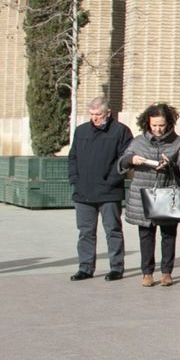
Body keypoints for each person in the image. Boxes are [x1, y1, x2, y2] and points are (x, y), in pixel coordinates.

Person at [119, 103, 180, 288]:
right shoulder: (138, 141)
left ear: (168, 123)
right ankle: (147, 272)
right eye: (154, 125)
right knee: (146, 234)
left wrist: (171, 166)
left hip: (167, 192)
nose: (158, 129)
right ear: (147, 123)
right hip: (143, 192)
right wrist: (131, 160)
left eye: (162, 125)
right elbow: (122, 162)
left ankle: (167, 272)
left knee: (168, 234)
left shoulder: (178, 142)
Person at [67, 97, 132, 282]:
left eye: (99, 115)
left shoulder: (120, 131)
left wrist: (111, 180)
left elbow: (125, 160)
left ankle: (116, 267)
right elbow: (73, 158)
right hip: (83, 192)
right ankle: (85, 267)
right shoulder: (81, 131)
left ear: (108, 113)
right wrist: (75, 179)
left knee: (112, 230)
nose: (95, 118)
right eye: (92, 115)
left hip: (109, 192)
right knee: (85, 231)